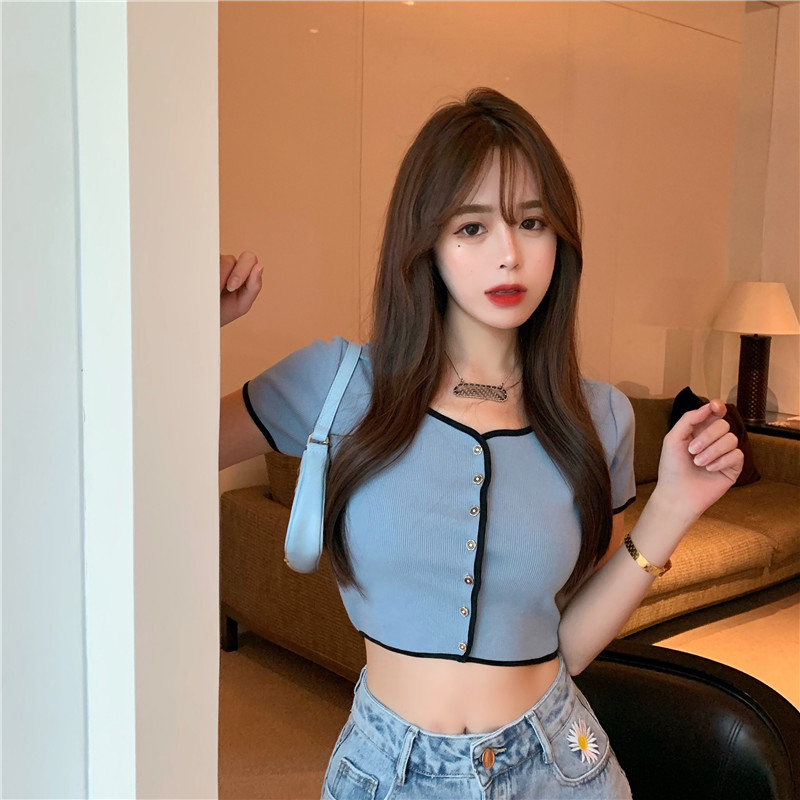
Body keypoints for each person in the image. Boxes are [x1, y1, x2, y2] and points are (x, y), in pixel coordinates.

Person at [219, 88, 743, 800]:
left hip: (559, 763)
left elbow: (567, 644)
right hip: (386, 770)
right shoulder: (337, 384)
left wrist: (674, 505)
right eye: (472, 227)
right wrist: (183, 321)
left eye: (531, 221)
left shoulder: (599, 418)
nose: (509, 254)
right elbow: (141, 458)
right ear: (427, 242)